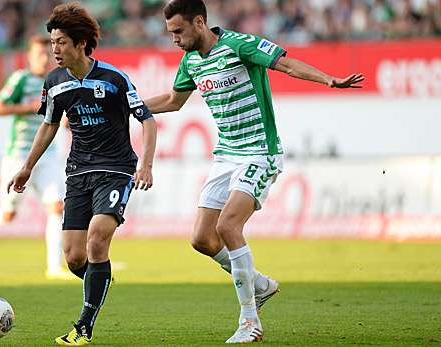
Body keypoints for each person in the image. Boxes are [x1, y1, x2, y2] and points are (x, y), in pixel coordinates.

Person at [144, 0, 364, 343]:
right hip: (226, 155)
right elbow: (174, 100)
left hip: (260, 152)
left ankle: (250, 321)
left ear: (199, 22)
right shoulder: (191, 61)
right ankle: (259, 285)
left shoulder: (240, 45)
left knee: (228, 226)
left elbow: (286, 64)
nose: (173, 39)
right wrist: (131, 106)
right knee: (202, 239)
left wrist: (328, 80)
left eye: (178, 31)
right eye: (170, 32)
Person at [8, 3, 157, 346]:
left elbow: (147, 120)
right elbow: (47, 126)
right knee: (75, 257)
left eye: (60, 42)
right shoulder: (55, 82)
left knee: (97, 238)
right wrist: (27, 166)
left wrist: (146, 164)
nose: (54, 49)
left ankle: (83, 328)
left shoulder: (114, 79)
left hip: (116, 169)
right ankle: (99, 280)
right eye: (51, 42)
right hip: (78, 173)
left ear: (80, 44)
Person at [0, 35, 75, 280]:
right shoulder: (21, 79)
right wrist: (26, 107)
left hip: (47, 155)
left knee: (57, 206)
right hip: (18, 155)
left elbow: (60, 116)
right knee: (7, 215)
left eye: (47, 53)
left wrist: (69, 121)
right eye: (39, 54)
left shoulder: (58, 81)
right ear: (30, 57)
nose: (44, 58)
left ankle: (54, 268)